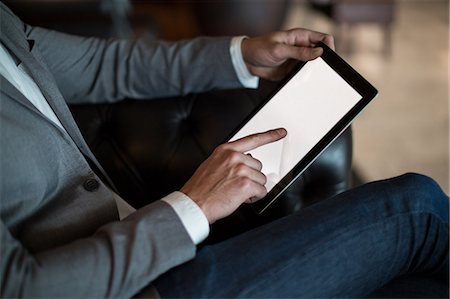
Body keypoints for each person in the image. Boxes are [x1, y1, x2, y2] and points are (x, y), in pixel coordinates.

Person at [0, 3, 448, 298]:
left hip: (144, 246)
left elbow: (99, 66)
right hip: (133, 285)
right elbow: (22, 288)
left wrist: (244, 54)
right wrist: (191, 207)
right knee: (418, 209)